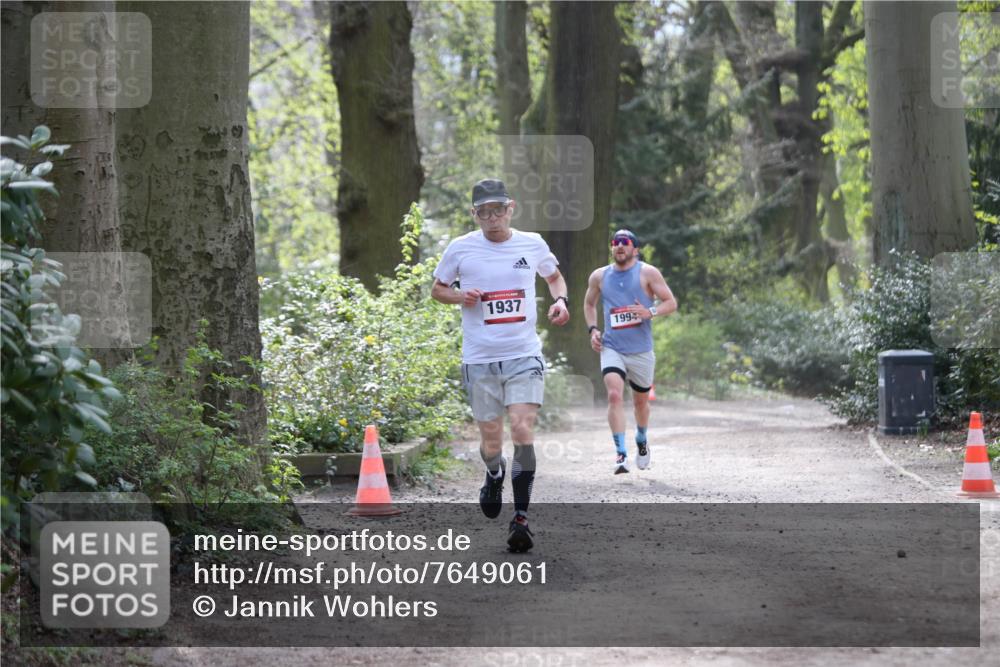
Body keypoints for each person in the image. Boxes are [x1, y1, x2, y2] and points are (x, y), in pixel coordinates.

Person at [431, 178, 570, 552]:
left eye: (497, 209)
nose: (491, 218)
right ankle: (494, 472)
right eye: (483, 212)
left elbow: (554, 278)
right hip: (479, 358)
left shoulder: (532, 243)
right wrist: (461, 296)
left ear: (511, 207)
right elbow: (438, 289)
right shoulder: (460, 248)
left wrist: (561, 302)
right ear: (474, 214)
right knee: (492, 442)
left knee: (522, 429)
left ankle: (521, 517)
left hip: (523, 353)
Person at [583, 229, 677, 474]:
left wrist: (650, 312)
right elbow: (589, 303)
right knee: (614, 395)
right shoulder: (600, 276)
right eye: (614, 242)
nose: (619, 246)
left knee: (640, 403)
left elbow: (670, 302)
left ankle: (642, 439)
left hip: (641, 351)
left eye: (625, 243)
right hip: (612, 347)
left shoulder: (648, 272)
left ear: (635, 249)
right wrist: (593, 329)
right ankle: (620, 454)